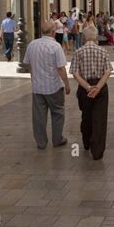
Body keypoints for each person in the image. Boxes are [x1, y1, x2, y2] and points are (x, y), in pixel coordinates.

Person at [23, 20, 71, 150]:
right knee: (58, 113)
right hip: (53, 86)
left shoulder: (32, 45)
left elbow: (28, 64)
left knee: (39, 116)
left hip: (38, 87)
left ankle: (41, 142)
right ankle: (57, 139)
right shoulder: (55, 46)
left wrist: (33, 78)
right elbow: (61, 68)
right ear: (53, 32)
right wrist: (67, 84)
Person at [70, 25, 113, 160]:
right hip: (101, 87)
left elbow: (75, 73)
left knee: (86, 116)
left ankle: (87, 141)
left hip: (85, 87)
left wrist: (88, 87)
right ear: (95, 37)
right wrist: (98, 87)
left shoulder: (78, 52)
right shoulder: (103, 51)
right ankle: (97, 151)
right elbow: (107, 71)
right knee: (100, 119)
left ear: (84, 36)